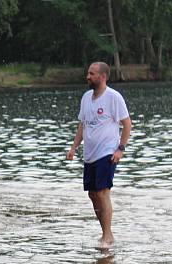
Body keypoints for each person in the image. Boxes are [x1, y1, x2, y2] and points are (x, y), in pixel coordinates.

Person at [66, 61, 131, 248]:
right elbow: (82, 125)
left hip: (107, 152)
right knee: (93, 194)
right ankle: (106, 232)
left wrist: (120, 149)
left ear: (102, 77)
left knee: (102, 192)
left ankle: (107, 235)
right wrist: (73, 147)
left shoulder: (113, 97)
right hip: (90, 154)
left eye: (91, 74)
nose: (88, 76)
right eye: (88, 73)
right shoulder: (86, 97)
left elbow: (127, 124)